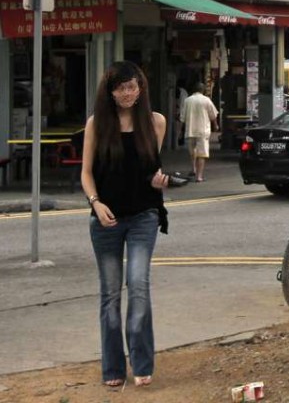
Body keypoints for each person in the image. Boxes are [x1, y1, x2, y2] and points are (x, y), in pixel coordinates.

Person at [80, 61, 170, 389]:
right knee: (110, 295)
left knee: (139, 285)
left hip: (144, 216)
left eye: (132, 86)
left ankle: (142, 362)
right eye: (120, 88)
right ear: (110, 91)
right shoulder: (97, 125)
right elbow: (86, 173)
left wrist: (160, 181)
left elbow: (147, 172)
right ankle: (113, 367)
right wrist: (96, 203)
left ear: (141, 87)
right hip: (106, 219)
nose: (127, 93)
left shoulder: (155, 123)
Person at [182, 81, 219, 182]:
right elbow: (213, 115)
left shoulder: (187, 100)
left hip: (190, 130)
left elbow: (182, 117)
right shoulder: (206, 100)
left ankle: (193, 169)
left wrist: (181, 130)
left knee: (193, 152)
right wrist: (215, 125)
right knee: (201, 153)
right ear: (203, 90)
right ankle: (199, 176)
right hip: (203, 130)